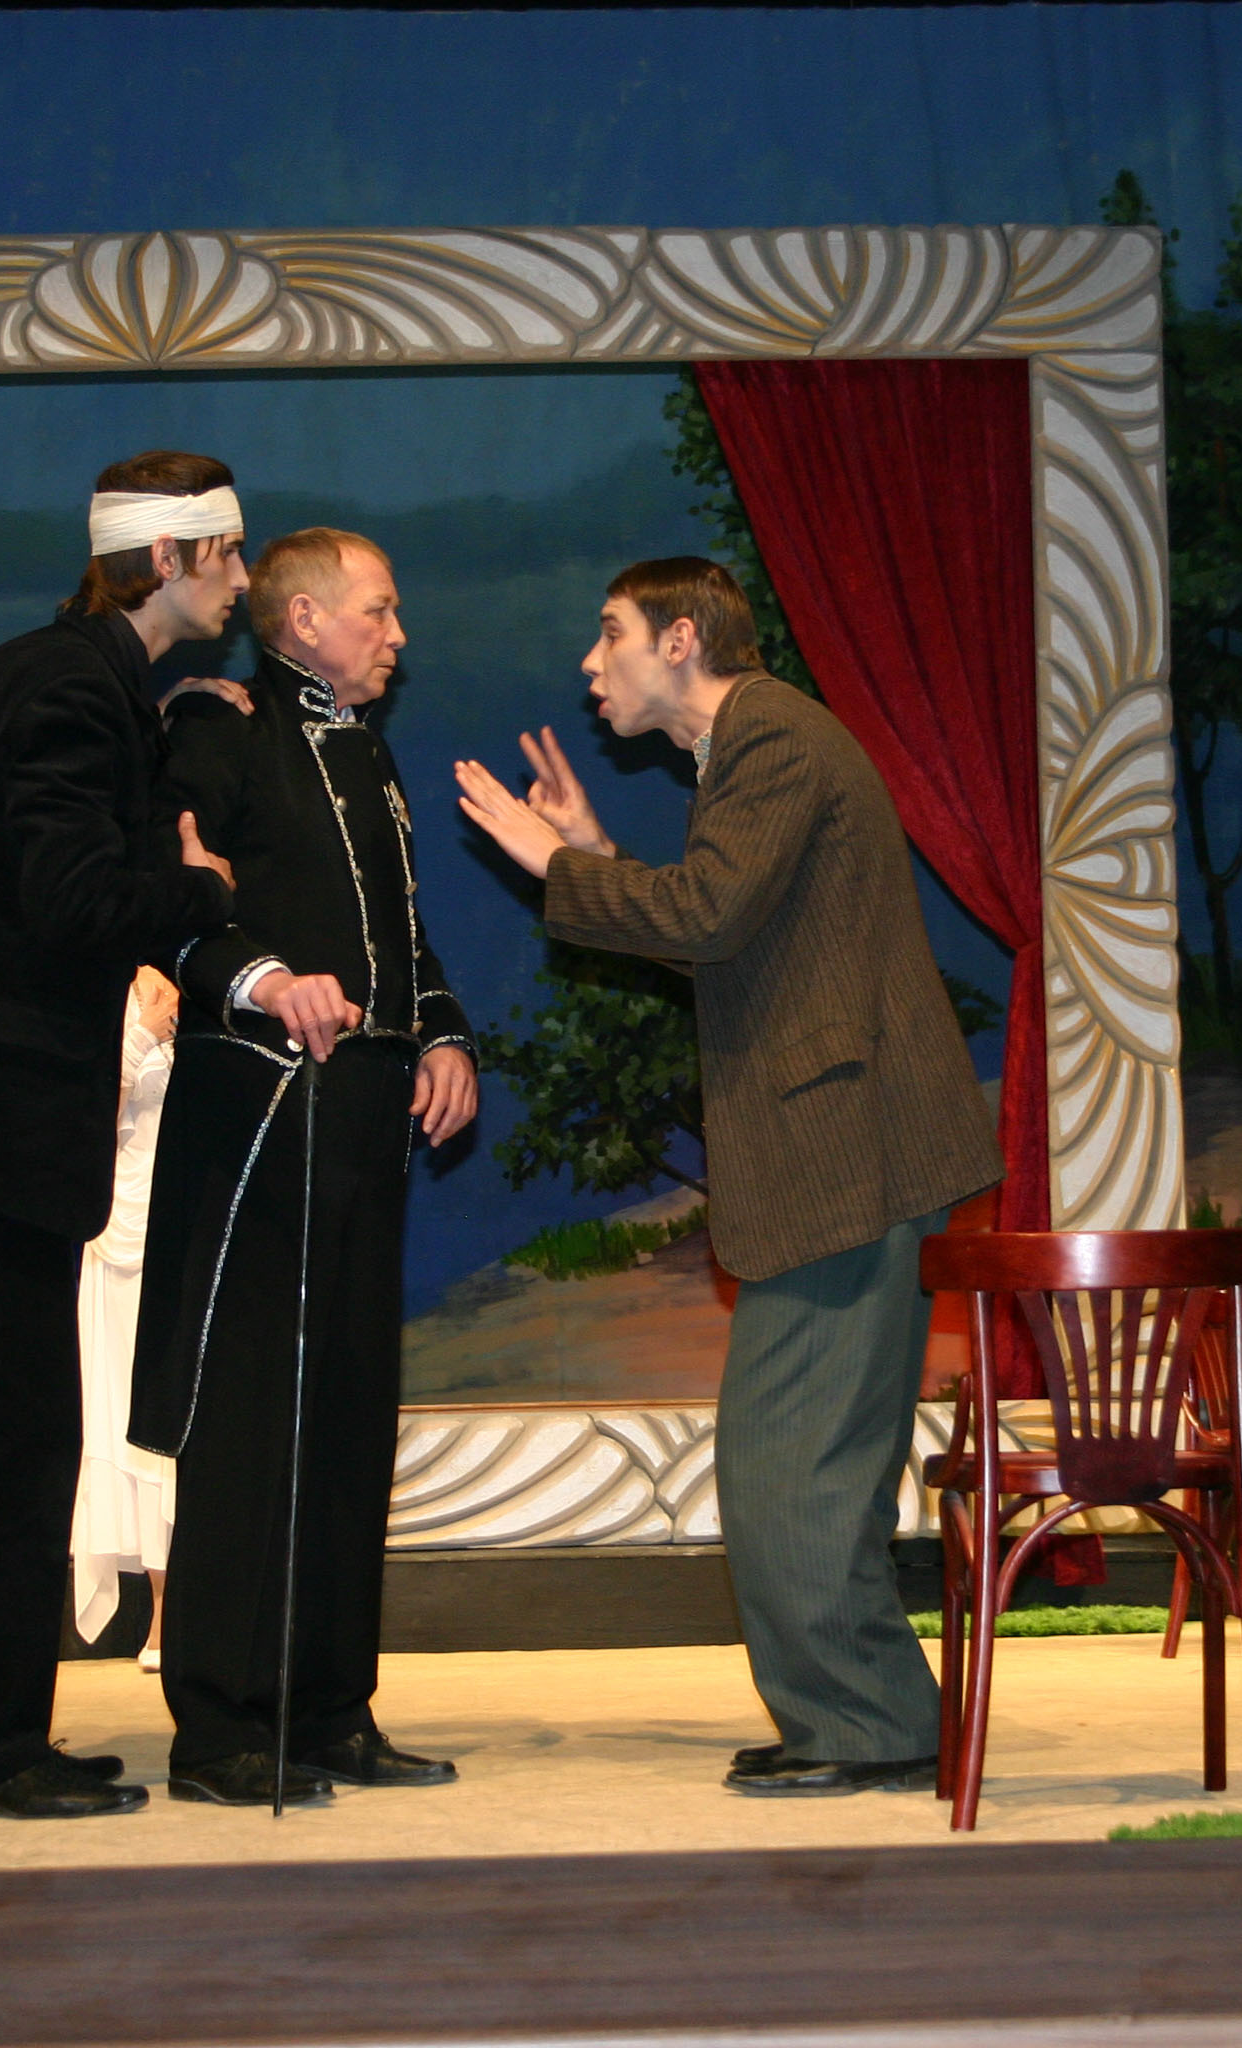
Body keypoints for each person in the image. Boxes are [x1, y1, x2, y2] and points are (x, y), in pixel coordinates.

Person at [452, 558, 1000, 1797]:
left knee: (791, 1458)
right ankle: (866, 1713)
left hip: (847, 1147)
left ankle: (864, 1722)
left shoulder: (773, 741)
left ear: (681, 638)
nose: (590, 664)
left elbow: (707, 915)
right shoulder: (750, 747)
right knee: (803, 1453)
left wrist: (556, 863)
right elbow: (736, 940)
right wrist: (597, 851)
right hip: (846, 1144)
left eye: (610, 634)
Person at [0, 451, 249, 1820]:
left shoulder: (66, 673)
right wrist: (195, 890)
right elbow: (72, 896)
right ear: (171, 559)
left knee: (14, 1436)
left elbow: (62, 836)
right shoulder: (73, 688)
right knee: (7, 1445)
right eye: (229, 555)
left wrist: (169, 725)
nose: (243, 581)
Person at [131, 526, 480, 1808]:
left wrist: (442, 1032)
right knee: (250, 1418)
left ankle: (331, 1707)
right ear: (303, 621)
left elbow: (401, 934)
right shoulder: (218, 730)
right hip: (263, 1118)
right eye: (378, 611)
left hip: (365, 1117)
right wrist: (267, 977)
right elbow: (170, 905)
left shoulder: (366, 751)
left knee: (346, 1415)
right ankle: (220, 1723)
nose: (398, 635)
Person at [69, 965, 183, 1668]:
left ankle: (208, 1603)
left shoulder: (219, 975)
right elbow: (78, 1125)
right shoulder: (120, 985)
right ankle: (163, 1610)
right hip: (121, 1232)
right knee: (131, 1415)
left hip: (197, 1222)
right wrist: (138, 1040)